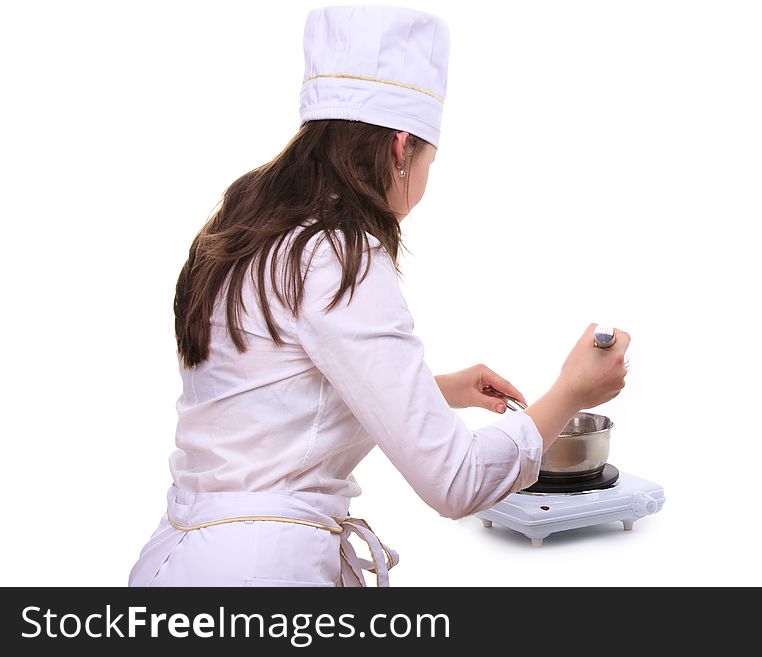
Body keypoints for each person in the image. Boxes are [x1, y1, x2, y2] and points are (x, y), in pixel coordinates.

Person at [128, 5, 629, 588]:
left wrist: (435, 391)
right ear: (399, 147)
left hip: (177, 564)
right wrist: (572, 390)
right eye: (429, 161)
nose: (424, 183)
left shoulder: (250, 232)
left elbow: (270, 399)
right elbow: (456, 481)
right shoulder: (339, 254)